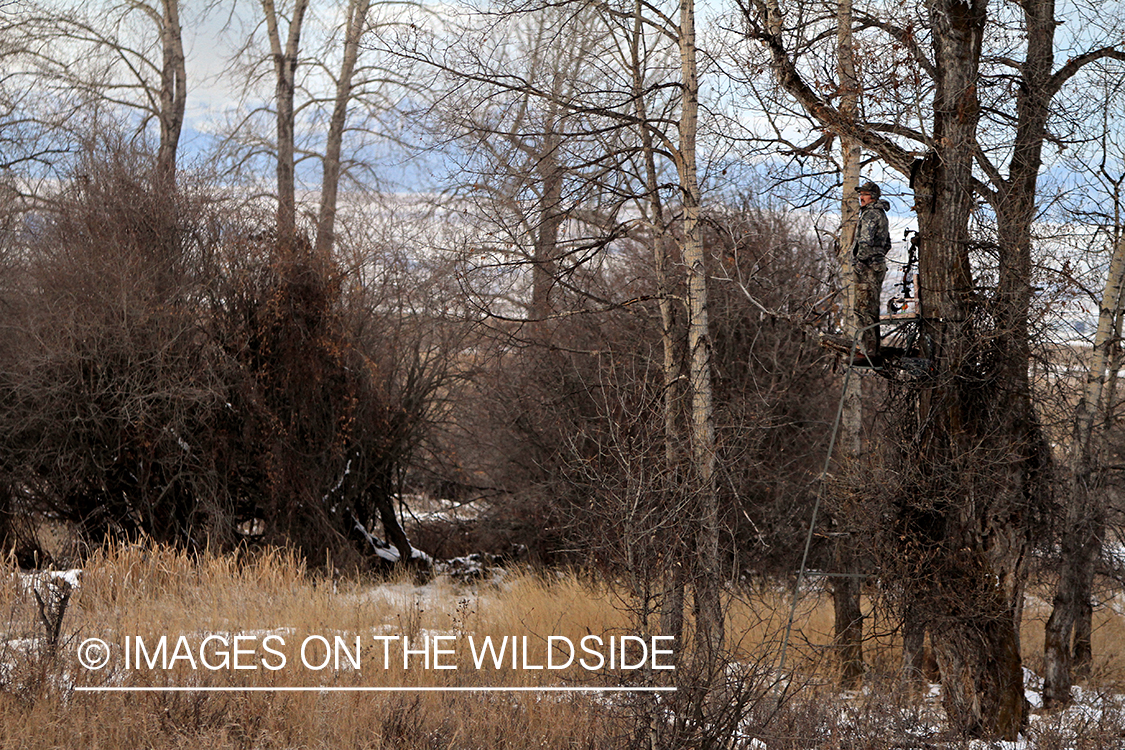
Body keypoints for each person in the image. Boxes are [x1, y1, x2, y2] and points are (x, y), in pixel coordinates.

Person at [853, 181, 891, 360]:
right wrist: (878, 257)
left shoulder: (870, 215)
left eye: (865, 194)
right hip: (876, 266)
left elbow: (865, 242)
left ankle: (867, 352)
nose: (861, 197)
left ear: (873, 196)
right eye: (860, 194)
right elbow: (887, 244)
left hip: (868, 267)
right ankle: (871, 349)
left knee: (863, 309)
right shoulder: (881, 214)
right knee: (870, 308)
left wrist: (861, 262)